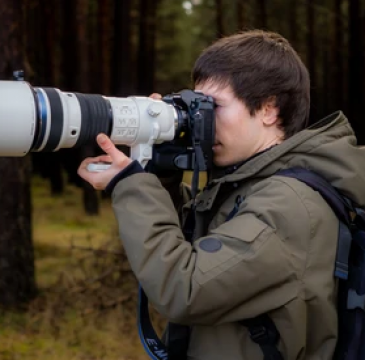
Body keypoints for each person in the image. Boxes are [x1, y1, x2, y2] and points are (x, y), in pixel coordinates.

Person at [78, 30, 365, 360]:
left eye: (213, 107)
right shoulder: (250, 185)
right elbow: (186, 241)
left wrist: (129, 184)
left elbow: (183, 288)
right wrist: (161, 171)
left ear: (269, 109)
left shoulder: (289, 204)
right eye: (198, 106)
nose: (204, 121)